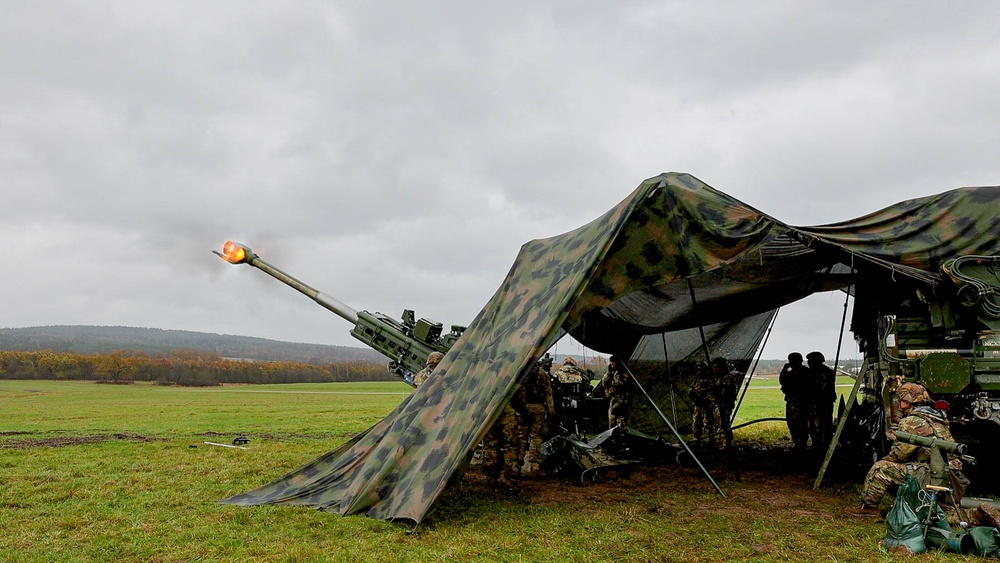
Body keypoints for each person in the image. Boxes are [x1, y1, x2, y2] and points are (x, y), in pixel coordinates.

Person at [856, 382, 965, 515]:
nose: (899, 404)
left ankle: (868, 508)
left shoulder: (911, 421)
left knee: (881, 468)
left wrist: (888, 458)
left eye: (901, 401)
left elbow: (901, 454)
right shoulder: (936, 417)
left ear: (906, 402)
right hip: (951, 474)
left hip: (933, 474)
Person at [519, 364, 555, 475]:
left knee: (521, 436)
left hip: (522, 408)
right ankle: (533, 466)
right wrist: (551, 411)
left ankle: (516, 465)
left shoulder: (521, 371)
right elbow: (548, 394)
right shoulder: (542, 374)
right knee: (536, 436)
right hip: (538, 408)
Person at [779, 352, 810, 453]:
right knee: (792, 424)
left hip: (802, 403)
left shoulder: (805, 373)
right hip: (792, 403)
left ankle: (801, 444)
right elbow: (782, 381)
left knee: (801, 424)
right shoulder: (792, 373)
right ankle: (798, 443)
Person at [806, 351, 837, 451]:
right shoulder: (826, 372)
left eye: (810, 361)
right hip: (818, 405)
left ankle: (822, 447)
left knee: (822, 427)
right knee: (815, 427)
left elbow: (821, 390)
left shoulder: (823, 373)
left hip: (822, 405)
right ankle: (819, 445)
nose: (808, 363)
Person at [712, 358, 742, 451]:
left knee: (724, 424)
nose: (715, 369)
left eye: (717, 367)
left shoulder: (728, 378)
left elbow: (727, 393)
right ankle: (723, 442)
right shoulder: (719, 378)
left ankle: (726, 443)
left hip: (724, 405)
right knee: (720, 424)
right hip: (719, 404)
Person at [690, 362, 720, 451]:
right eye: (698, 369)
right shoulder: (697, 379)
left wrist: (706, 399)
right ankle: (697, 441)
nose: (699, 371)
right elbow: (691, 389)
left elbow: (712, 392)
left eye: (700, 369)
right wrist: (694, 396)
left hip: (706, 405)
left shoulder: (710, 379)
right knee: (696, 423)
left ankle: (711, 442)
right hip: (698, 405)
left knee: (708, 424)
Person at [598, 355, 634, 428]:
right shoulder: (611, 373)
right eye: (611, 362)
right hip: (613, 399)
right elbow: (604, 383)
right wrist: (608, 373)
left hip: (622, 399)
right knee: (611, 420)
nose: (612, 364)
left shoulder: (624, 374)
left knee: (621, 422)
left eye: (614, 362)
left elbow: (624, 385)